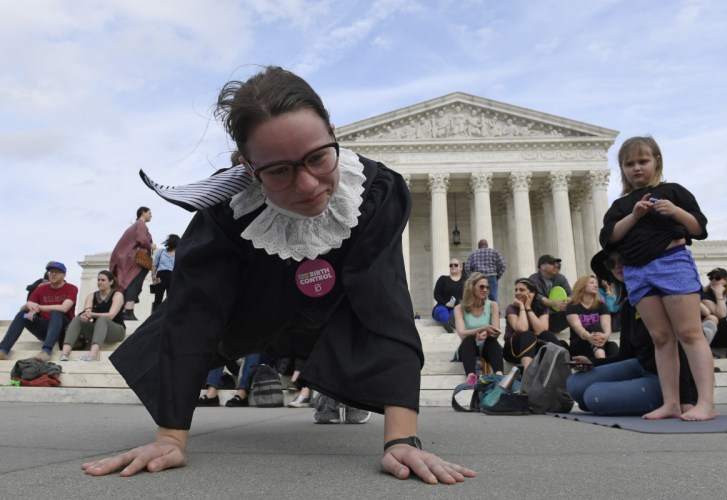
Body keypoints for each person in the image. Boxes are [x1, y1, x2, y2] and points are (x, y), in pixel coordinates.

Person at [83, 66, 474, 485]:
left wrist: (402, 441)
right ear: (250, 170)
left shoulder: (377, 193)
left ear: (334, 134)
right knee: (189, 327)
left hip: (332, 314)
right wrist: (170, 438)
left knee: (348, 316)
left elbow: (386, 302)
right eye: (279, 171)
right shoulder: (224, 212)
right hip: (250, 311)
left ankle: (341, 389)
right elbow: (195, 314)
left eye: (318, 158)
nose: (306, 185)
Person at [599, 135, 715, 421]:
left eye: (643, 161)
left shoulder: (673, 192)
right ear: (622, 169)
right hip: (638, 271)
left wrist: (675, 211)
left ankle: (706, 403)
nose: (637, 168)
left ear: (657, 161)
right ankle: (671, 403)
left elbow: (699, 228)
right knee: (661, 338)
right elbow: (609, 238)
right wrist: (635, 216)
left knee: (689, 333)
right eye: (629, 164)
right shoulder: (620, 206)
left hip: (671, 263)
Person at [566, 250, 697, 416]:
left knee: (594, 396)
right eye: (611, 263)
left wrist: (685, 400)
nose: (618, 266)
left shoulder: (662, 298)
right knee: (575, 383)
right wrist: (591, 362)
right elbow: (625, 354)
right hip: (639, 365)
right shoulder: (628, 305)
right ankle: (618, 400)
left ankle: (662, 400)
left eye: (624, 258)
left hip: (666, 378)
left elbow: (680, 349)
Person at [0, 262, 78, 362]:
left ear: (64, 275)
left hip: (64, 329)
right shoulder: (41, 289)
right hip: (45, 328)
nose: (53, 274)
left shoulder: (71, 288)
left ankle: (46, 351)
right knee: (22, 315)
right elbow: (24, 307)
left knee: (56, 312)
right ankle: (3, 350)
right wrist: (28, 305)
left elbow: (64, 308)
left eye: (57, 272)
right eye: (51, 272)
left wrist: (39, 307)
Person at [59, 270, 126, 362]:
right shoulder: (91, 296)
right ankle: (64, 354)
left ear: (111, 282)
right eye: (98, 280)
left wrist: (92, 314)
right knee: (78, 319)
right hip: (97, 331)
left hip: (116, 331)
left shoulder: (117, 295)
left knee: (102, 319)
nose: (99, 282)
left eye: (103, 280)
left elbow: (111, 315)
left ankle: (92, 356)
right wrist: (85, 316)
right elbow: (87, 312)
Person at [453, 272, 503, 383]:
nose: (485, 290)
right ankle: (471, 376)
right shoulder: (459, 308)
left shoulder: (492, 305)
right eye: (481, 286)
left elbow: (496, 331)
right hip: (468, 348)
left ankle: (499, 375)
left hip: (487, 346)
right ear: (472, 288)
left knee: (492, 340)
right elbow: (461, 333)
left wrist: (487, 333)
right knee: (468, 339)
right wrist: (481, 329)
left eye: (487, 287)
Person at [503, 278, 561, 370]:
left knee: (547, 335)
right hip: (513, 350)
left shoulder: (542, 308)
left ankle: (562, 367)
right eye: (516, 290)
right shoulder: (511, 308)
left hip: (534, 350)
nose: (517, 293)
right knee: (528, 334)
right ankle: (527, 373)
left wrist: (528, 307)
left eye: (522, 290)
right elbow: (522, 328)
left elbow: (541, 330)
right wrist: (522, 307)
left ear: (532, 293)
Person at [110, 206, 156, 321]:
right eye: (149, 213)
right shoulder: (141, 225)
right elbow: (141, 239)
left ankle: (123, 310)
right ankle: (128, 312)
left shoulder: (134, 226)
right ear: (143, 213)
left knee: (129, 282)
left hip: (132, 259)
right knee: (134, 283)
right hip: (137, 260)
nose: (151, 215)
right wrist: (151, 246)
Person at [565, 275, 619, 360]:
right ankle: (601, 362)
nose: (596, 285)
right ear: (582, 286)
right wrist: (589, 337)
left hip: (600, 342)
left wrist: (605, 336)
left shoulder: (601, 305)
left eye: (596, 283)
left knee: (613, 346)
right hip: (580, 342)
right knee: (595, 326)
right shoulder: (572, 306)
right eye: (591, 283)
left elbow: (606, 326)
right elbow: (577, 326)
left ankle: (609, 367)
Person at [527, 254, 572, 333]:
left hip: (556, 316)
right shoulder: (533, 279)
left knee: (573, 306)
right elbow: (538, 297)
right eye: (552, 263)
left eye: (556, 264)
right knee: (538, 303)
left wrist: (566, 302)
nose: (555, 265)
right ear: (543, 266)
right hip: (540, 316)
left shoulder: (560, 277)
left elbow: (570, 294)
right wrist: (555, 303)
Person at [197, 353, 262, 407]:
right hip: (237, 362)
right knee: (220, 346)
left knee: (254, 346)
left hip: (261, 362)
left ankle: (243, 393)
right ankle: (212, 393)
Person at [431, 257, 466, 333]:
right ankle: (448, 324)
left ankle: (452, 322)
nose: (453, 266)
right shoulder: (443, 279)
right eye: (451, 265)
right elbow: (436, 294)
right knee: (442, 311)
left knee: (455, 312)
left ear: (461, 267)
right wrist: (446, 303)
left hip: (457, 307)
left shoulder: (465, 282)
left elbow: (467, 297)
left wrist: (460, 305)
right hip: (442, 305)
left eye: (456, 265)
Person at [151, 234, 180, 311]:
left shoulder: (178, 254)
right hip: (160, 276)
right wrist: (153, 276)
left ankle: (167, 318)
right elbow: (154, 264)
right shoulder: (161, 252)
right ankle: (154, 317)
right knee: (158, 298)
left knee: (170, 299)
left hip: (172, 276)